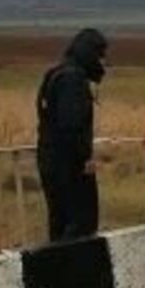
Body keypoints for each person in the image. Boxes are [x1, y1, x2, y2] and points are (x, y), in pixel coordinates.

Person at [35, 28, 109, 240]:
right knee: (80, 226)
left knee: (60, 222)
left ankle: (59, 259)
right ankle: (73, 261)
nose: (103, 62)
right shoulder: (72, 79)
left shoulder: (55, 74)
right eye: (100, 55)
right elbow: (71, 125)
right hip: (69, 167)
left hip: (51, 160)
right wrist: (84, 159)